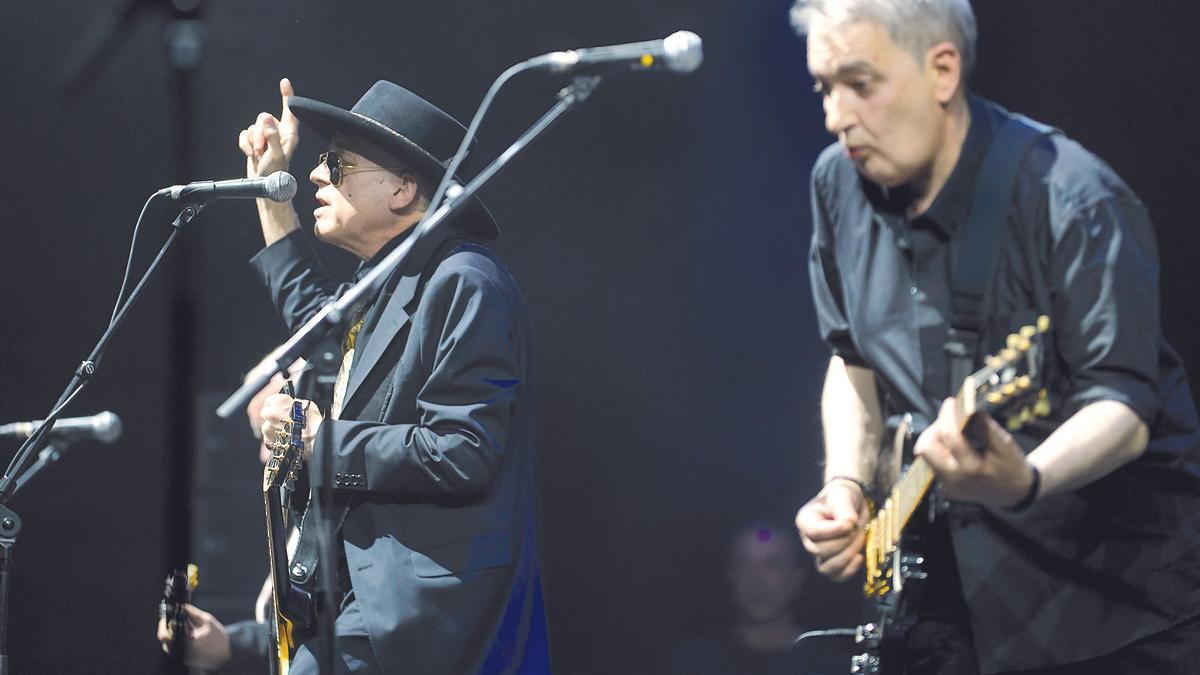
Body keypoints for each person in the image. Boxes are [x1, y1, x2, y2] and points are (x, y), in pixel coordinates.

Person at [789, 1, 1200, 673]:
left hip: (1113, 612)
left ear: (942, 70)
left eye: (860, 84)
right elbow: (852, 357)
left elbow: (1122, 407)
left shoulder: (1074, 197)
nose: (836, 116)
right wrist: (846, 485)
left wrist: (1027, 480)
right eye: (824, 88)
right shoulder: (836, 184)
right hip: (954, 608)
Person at [162, 77, 549, 674]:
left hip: (421, 624)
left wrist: (322, 442)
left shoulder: (465, 281)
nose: (316, 175)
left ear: (402, 188)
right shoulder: (386, 287)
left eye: (336, 165)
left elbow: (464, 450)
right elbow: (313, 317)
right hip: (352, 614)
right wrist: (271, 193)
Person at [662, 521, 841, 675]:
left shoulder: (826, 664)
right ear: (731, 575)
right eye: (744, 564)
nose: (756, 579)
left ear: (796, 577)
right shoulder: (695, 663)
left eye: (772, 565)